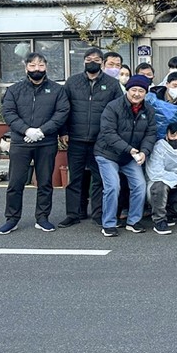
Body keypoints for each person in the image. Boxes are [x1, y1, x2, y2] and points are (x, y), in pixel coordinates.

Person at [0, 52, 71, 235]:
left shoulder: (57, 90)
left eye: (40, 65)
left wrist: (41, 131)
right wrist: (26, 130)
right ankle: (12, 219)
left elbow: (62, 112)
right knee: (16, 182)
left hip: (46, 142)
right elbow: (9, 112)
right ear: (26, 68)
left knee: (45, 182)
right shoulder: (14, 90)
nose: (36, 69)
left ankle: (42, 217)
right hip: (20, 142)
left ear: (46, 67)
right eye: (32, 65)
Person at [58, 46, 122, 228]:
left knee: (99, 179)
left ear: (102, 62)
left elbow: (117, 112)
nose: (92, 62)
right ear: (84, 61)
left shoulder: (112, 84)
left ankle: (98, 214)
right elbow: (64, 109)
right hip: (75, 138)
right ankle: (74, 213)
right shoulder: (72, 82)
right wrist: (63, 131)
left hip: (100, 140)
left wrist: (111, 137)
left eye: (96, 59)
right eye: (88, 58)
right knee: (75, 179)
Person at [93, 75, 158, 237]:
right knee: (113, 186)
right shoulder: (113, 106)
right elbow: (108, 133)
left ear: (146, 93)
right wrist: (130, 149)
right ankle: (108, 223)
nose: (137, 94)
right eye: (133, 90)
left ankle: (133, 221)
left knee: (140, 185)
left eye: (141, 91)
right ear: (127, 90)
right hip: (107, 154)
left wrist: (144, 152)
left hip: (131, 156)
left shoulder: (148, 110)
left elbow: (151, 134)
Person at [147, 72, 177, 139]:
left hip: (167, 144)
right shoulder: (151, 98)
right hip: (146, 139)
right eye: (174, 85)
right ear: (167, 84)